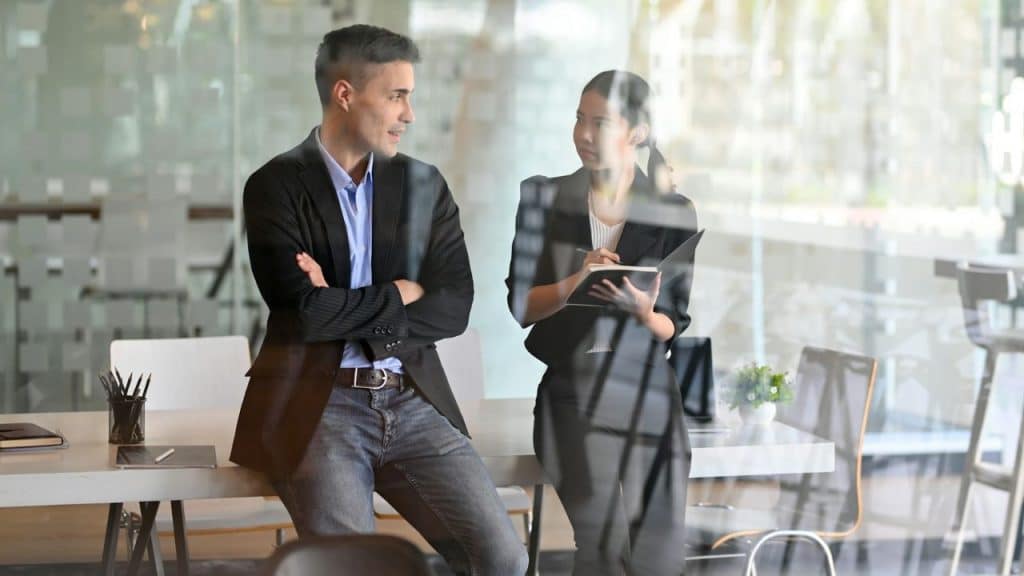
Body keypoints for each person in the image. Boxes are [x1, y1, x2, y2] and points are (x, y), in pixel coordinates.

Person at [230, 24, 527, 576]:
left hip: (412, 399)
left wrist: (344, 305)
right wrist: (398, 293)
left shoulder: (423, 186)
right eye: (396, 95)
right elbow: (303, 314)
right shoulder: (275, 186)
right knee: (355, 569)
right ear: (346, 94)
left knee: (504, 558)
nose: (409, 114)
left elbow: (454, 306)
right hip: (322, 408)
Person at [506, 70, 698, 575]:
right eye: (579, 119)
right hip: (572, 393)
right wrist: (574, 282)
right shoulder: (542, 197)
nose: (584, 134)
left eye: (600, 123)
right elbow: (521, 307)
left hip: (649, 393)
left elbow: (672, 326)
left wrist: (646, 313)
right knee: (603, 549)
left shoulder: (674, 210)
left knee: (658, 556)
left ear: (636, 132)